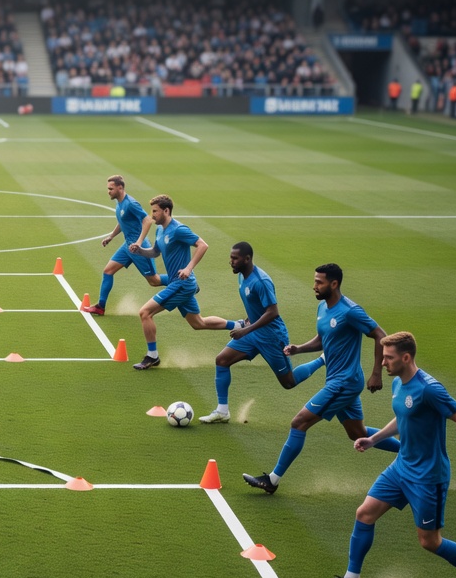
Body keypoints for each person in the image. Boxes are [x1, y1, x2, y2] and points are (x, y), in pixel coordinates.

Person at [317, 332, 456, 578]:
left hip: (428, 477)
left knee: (430, 542)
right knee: (364, 513)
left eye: (388, 358)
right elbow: (403, 417)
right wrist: (373, 439)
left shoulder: (429, 389)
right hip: (401, 469)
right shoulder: (399, 383)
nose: (383, 363)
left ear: (406, 357)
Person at [243, 263, 399, 494]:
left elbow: (380, 335)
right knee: (357, 434)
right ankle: (412, 449)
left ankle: (272, 480)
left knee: (299, 422)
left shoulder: (350, 311)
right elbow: (322, 339)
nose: (314, 286)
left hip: (344, 382)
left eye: (319, 282)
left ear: (334, 284)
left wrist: (376, 372)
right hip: (337, 380)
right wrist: (298, 349)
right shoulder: (322, 308)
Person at [198, 243, 324, 424]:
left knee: (288, 382)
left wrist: (245, 330)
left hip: (272, 337)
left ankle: (322, 359)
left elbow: (273, 312)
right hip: (254, 332)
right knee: (222, 360)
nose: (231, 262)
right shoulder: (242, 276)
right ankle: (222, 411)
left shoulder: (261, 281)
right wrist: (250, 321)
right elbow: (256, 306)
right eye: (231, 257)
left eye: (235, 258)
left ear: (247, 259)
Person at [126, 194, 234, 370]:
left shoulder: (178, 229)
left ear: (166, 211)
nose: (152, 215)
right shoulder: (160, 230)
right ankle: (240, 325)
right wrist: (139, 251)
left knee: (145, 312)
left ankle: (152, 356)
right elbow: (155, 252)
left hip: (181, 283)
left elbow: (203, 245)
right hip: (180, 283)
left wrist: (189, 268)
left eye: (155, 211)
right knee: (198, 323)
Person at [82, 175, 161, 317]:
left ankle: (185, 283)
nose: (108, 191)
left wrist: (138, 242)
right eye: (108, 189)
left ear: (120, 188)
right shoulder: (119, 203)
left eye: (111, 189)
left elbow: (148, 221)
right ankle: (101, 306)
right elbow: (122, 221)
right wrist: (111, 236)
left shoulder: (131, 203)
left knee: (154, 281)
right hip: (127, 246)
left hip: (139, 249)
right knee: (108, 271)